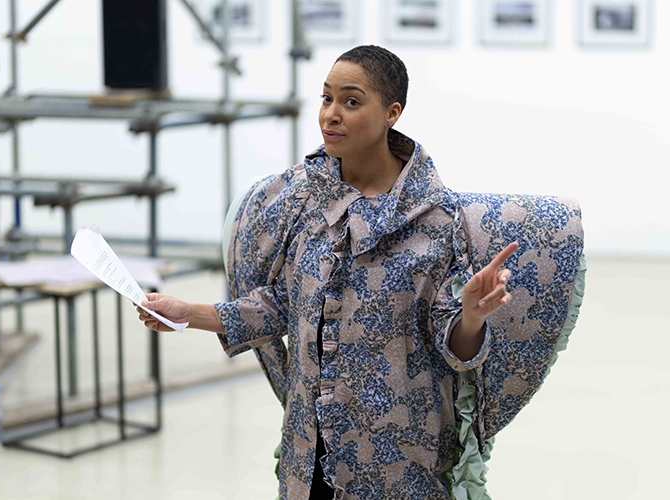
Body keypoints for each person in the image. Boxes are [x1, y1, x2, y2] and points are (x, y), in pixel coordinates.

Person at [137, 45, 533, 500]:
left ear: (392, 113)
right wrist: (187, 312)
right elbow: (285, 304)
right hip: (312, 460)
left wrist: (472, 316)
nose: (331, 114)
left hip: (397, 466)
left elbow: (455, 346)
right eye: (326, 98)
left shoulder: (437, 220)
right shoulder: (305, 202)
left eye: (351, 101)